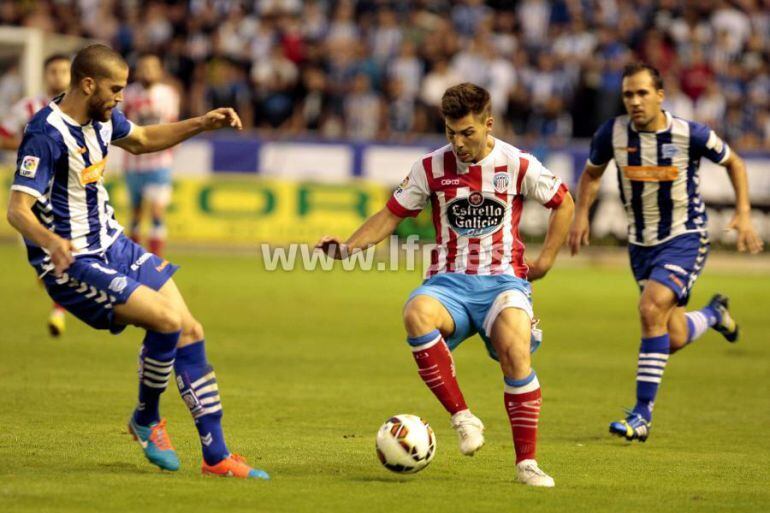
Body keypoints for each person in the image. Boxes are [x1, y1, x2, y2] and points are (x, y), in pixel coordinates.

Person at [6, 44, 268, 480]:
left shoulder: (102, 118)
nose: (120, 97)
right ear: (87, 84)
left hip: (114, 244)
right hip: (73, 263)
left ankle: (217, 457)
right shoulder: (45, 133)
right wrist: (51, 242)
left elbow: (143, 140)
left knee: (191, 328)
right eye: (115, 89)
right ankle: (146, 418)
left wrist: (201, 123)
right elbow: (17, 210)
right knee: (166, 321)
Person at [316, 83, 574, 487]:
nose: (458, 143)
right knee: (416, 313)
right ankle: (463, 418)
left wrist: (547, 260)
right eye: (451, 133)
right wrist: (348, 248)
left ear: (488, 125)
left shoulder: (518, 163)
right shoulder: (430, 167)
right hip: (448, 284)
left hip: (502, 281)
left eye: (467, 133)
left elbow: (564, 202)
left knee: (515, 353)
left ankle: (527, 464)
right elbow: (390, 215)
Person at [568, 62, 764, 442]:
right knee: (670, 335)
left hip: (685, 237)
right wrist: (580, 215)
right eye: (628, 94)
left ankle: (641, 415)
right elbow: (592, 173)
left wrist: (743, 212)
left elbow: (735, 163)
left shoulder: (690, 133)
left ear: (660, 95)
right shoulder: (612, 133)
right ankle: (714, 314)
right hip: (640, 245)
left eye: (642, 93)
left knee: (650, 309)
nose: (635, 101)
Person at [1, 54, 71, 337]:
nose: (59, 76)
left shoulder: (78, 108)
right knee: (42, 253)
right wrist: (31, 144)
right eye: (53, 71)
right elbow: (3, 135)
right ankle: (55, 285)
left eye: (64, 71)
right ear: (45, 75)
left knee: (63, 248)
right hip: (31, 191)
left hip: (64, 191)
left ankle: (58, 311)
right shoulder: (28, 107)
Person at [121, 53, 180, 256]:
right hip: (133, 162)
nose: (147, 72)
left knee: (156, 211)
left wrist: (171, 149)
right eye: (143, 68)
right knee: (136, 213)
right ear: (137, 71)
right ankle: (133, 259)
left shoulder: (168, 94)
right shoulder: (127, 94)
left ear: (159, 71)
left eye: (152, 68)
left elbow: (172, 125)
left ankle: (156, 259)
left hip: (159, 162)